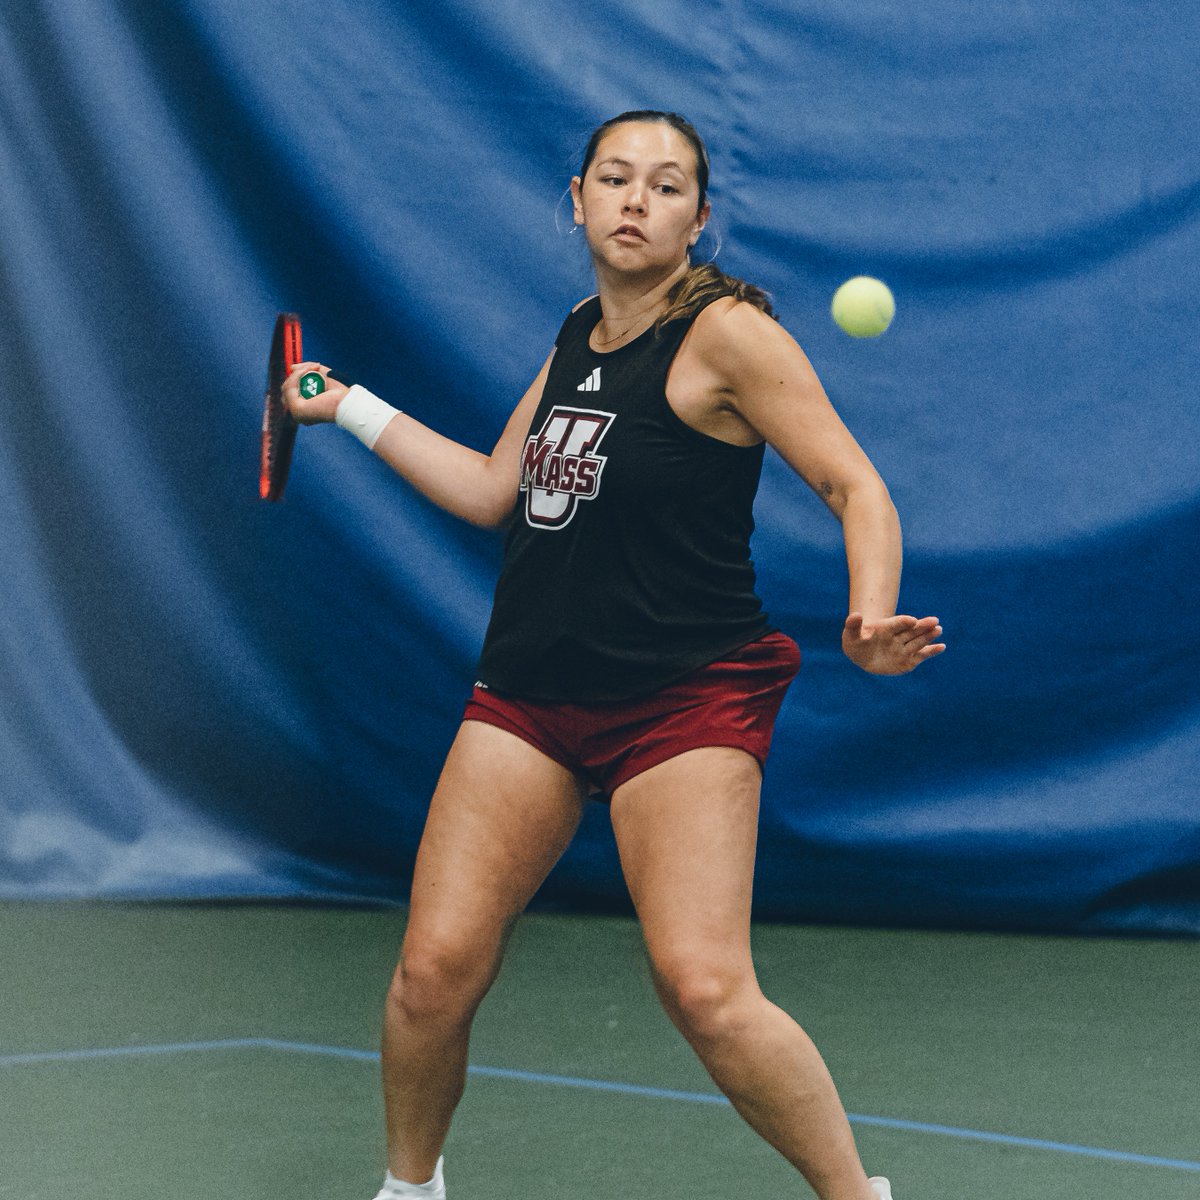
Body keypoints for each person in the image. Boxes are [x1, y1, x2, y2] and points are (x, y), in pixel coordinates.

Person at [285, 109, 945, 1200]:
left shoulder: (727, 335)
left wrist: (869, 613)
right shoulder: (579, 328)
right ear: (579, 199)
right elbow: (497, 491)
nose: (638, 199)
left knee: (705, 988)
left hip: (684, 704)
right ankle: (410, 1191)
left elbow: (853, 486)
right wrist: (347, 403)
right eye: (617, 178)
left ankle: (858, 1197)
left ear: (700, 217)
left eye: (667, 184)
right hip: (531, 698)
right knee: (430, 975)